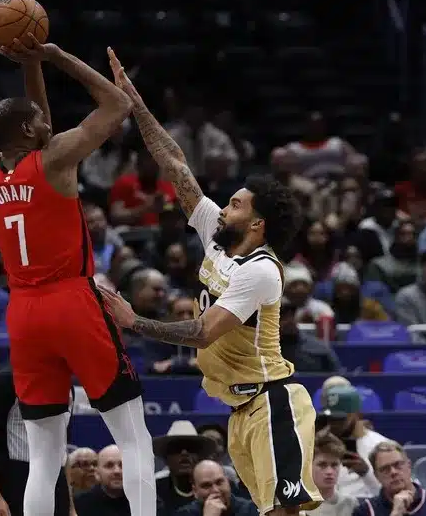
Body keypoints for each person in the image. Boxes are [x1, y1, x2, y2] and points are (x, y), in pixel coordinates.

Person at [99, 50, 321, 516]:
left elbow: (202, 331)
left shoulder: (260, 270)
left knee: (285, 513)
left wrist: (134, 320)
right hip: (240, 411)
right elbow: (176, 164)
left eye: (236, 205)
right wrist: (135, 102)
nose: (223, 208)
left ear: (257, 224)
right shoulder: (215, 237)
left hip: (271, 402)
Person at [0, 35, 155, 516]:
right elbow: (118, 104)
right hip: (71, 300)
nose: (47, 123)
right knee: (134, 436)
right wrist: (55, 57)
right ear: (32, 132)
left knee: (44, 456)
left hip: (24, 312)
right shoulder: (56, 159)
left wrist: (29, 66)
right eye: (40, 122)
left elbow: (37, 127)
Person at [0, 368, 73, 516]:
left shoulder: (67, 386)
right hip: (17, 478)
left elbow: (63, 449)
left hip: (58, 481)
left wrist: (71, 506)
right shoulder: (6, 382)